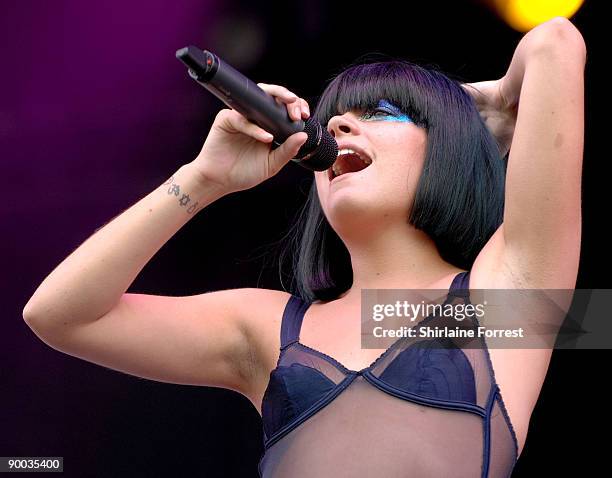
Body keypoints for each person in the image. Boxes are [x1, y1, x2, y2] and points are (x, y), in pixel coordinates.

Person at [23, 17, 586, 477]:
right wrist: (203, 178)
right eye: (333, 119)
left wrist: (463, 109)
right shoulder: (268, 327)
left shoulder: (502, 300)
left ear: (447, 153)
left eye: (381, 113)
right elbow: (59, 315)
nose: (339, 123)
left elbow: (555, 42)